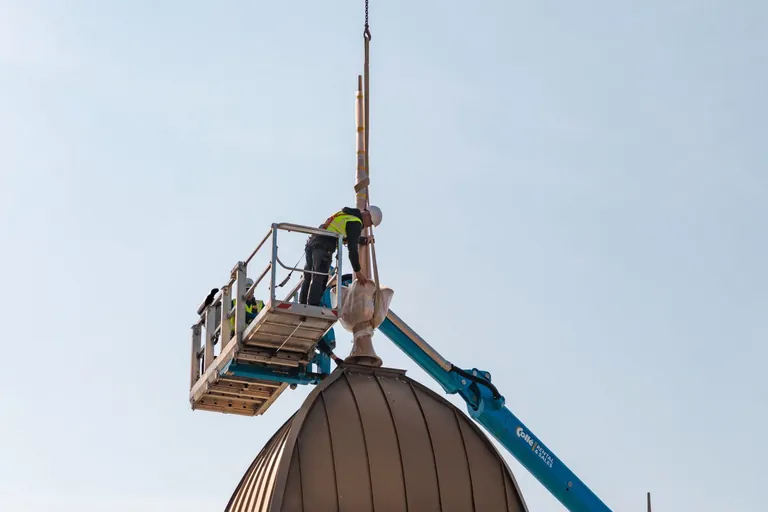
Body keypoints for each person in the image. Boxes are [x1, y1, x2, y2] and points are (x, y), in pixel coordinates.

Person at [298, 205, 382, 307]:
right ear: (368, 215)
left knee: (309, 276)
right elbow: (352, 248)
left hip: (313, 244)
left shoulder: (346, 215)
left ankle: (302, 304)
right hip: (324, 247)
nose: (369, 226)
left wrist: (364, 240)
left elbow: (348, 237)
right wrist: (358, 271)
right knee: (320, 278)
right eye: (371, 223)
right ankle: (312, 306)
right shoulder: (356, 222)